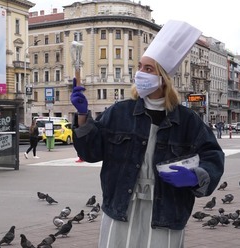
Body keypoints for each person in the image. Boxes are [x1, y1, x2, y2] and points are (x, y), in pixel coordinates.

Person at [70, 20, 224, 248]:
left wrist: (197, 176)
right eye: (140, 66)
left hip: (166, 210)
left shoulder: (187, 120)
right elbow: (91, 152)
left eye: (148, 69)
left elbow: (213, 156)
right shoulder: (119, 112)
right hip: (122, 206)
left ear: (164, 78)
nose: (140, 73)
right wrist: (83, 116)